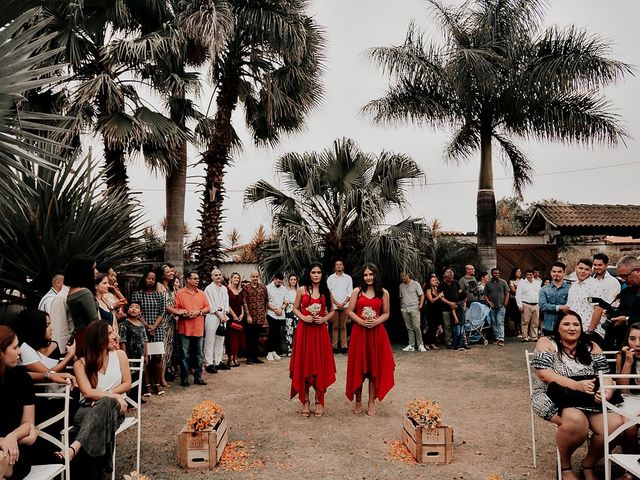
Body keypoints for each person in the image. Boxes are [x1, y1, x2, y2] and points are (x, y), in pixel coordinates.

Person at [530, 311, 622, 480]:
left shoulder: (592, 346)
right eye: (566, 324)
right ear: (557, 327)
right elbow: (544, 374)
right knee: (576, 422)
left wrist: (606, 391)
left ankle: (588, 465)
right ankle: (565, 467)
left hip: (588, 398)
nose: (572, 328)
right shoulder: (546, 342)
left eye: (576, 324)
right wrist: (576, 385)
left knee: (615, 425)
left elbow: (605, 374)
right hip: (553, 396)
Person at [65, 321, 132, 479]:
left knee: (106, 405)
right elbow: (87, 393)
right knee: (105, 407)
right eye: (109, 333)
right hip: (87, 409)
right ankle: (105, 469)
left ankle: (74, 448)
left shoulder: (120, 355)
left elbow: (127, 384)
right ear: (98, 338)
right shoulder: (80, 363)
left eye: (113, 332)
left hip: (115, 409)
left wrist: (105, 396)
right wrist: (114, 396)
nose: (115, 336)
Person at [345, 263, 395, 416]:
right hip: (359, 333)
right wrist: (360, 321)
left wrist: (376, 321)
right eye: (365, 275)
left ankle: (371, 402)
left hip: (377, 333)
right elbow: (349, 311)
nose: (368, 278)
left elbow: (386, 313)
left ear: (376, 275)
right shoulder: (357, 292)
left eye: (371, 274)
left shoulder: (384, 293)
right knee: (359, 367)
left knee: (374, 368)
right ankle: (358, 401)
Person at [290, 262, 336, 418]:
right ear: (309, 274)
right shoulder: (302, 290)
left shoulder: (325, 291)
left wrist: (323, 319)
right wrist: (304, 317)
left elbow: (332, 311)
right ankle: (306, 401)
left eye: (319, 272)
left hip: (320, 333)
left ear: (322, 274)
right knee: (304, 365)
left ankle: (318, 401)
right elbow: (295, 308)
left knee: (319, 365)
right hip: (304, 332)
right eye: (313, 272)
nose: (316, 275)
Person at [0, 325, 38, 480]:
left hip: (16, 452)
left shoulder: (22, 378)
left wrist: (12, 437)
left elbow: (29, 424)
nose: (20, 351)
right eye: (15, 347)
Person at [13, 310, 76, 389]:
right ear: (35, 328)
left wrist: (70, 358)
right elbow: (49, 373)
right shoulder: (24, 348)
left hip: (57, 388)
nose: (51, 329)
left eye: (50, 324)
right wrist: (69, 356)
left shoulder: (52, 345)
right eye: (46, 326)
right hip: (45, 393)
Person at [131, 270, 166, 395]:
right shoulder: (137, 294)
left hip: (157, 329)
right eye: (148, 278)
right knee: (145, 358)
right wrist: (147, 326)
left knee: (157, 357)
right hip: (142, 328)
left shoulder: (159, 295)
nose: (151, 281)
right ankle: (147, 386)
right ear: (144, 279)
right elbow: (136, 311)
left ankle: (157, 384)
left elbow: (162, 312)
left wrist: (154, 327)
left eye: (153, 279)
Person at [173, 271, 210, 387]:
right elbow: (175, 309)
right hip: (184, 329)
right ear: (188, 280)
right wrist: (184, 313)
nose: (197, 280)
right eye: (194, 278)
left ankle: (198, 377)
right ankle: (184, 378)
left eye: (197, 278)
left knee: (198, 354)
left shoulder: (202, 293)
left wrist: (198, 312)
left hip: (198, 328)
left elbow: (208, 308)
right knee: (184, 355)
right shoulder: (179, 293)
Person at [614, 322, 640, 480]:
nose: (637, 344)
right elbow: (622, 390)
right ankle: (631, 470)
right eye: (632, 338)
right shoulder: (622, 355)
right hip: (629, 398)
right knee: (629, 426)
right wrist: (628, 362)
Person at [566, 259, 606, 348]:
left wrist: (590, 331)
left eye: (586, 269)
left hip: (590, 333)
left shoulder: (595, 286)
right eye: (581, 268)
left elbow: (598, 309)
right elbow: (570, 309)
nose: (583, 271)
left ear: (590, 271)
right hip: (574, 330)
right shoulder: (573, 286)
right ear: (576, 268)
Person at [66, 254, 99, 356]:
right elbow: (95, 322)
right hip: (89, 338)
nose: (97, 271)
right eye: (93, 268)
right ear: (84, 271)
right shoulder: (84, 293)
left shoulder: (71, 291)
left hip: (79, 335)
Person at [609, 256, 640, 350]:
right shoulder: (627, 291)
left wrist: (627, 319)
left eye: (625, 276)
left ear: (638, 271)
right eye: (620, 277)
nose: (623, 280)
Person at [118, 303, 149, 396]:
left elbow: (145, 340)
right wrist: (124, 356)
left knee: (139, 375)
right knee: (130, 375)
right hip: (129, 354)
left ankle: (137, 397)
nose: (134, 309)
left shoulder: (141, 325)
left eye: (136, 308)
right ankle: (130, 399)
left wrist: (146, 355)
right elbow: (122, 341)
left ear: (140, 311)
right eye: (131, 307)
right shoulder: (124, 324)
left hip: (140, 354)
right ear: (128, 310)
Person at [204, 268, 230, 373]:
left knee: (220, 339)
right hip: (212, 315)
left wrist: (224, 314)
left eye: (220, 275)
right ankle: (209, 363)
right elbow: (209, 304)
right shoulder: (208, 289)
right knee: (210, 340)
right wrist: (219, 314)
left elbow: (226, 302)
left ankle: (218, 361)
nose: (218, 276)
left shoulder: (224, 288)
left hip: (223, 316)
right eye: (216, 275)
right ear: (212, 277)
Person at [156, 264, 179, 384]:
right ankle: (160, 378)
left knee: (169, 349)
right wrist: (177, 312)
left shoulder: (169, 287)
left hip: (170, 321)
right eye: (168, 271)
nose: (171, 273)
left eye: (171, 271)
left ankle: (163, 375)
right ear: (162, 274)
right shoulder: (159, 286)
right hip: (162, 321)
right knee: (162, 349)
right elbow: (163, 305)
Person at [242, 271, 269, 364]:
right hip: (250, 318)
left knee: (257, 338)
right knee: (249, 338)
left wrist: (265, 316)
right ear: (250, 277)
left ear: (259, 277)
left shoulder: (263, 287)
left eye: (256, 276)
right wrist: (248, 315)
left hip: (260, 317)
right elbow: (244, 302)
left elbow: (266, 302)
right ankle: (249, 358)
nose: (255, 278)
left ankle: (255, 357)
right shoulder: (246, 288)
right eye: (253, 276)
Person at [327, 260, 353, 354]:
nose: (338, 266)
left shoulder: (348, 278)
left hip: (345, 305)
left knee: (343, 326)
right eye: (337, 264)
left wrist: (344, 302)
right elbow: (329, 292)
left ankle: (344, 346)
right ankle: (334, 346)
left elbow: (350, 292)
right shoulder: (330, 278)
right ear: (335, 267)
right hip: (334, 305)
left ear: (343, 266)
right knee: (334, 326)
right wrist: (336, 303)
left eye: (340, 264)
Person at [539, 262, 571, 337]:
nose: (556, 274)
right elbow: (543, 306)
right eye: (554, 271)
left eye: (559, 271)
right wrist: (559, 307)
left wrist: (550, 307)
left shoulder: (570, 289)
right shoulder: (544, 289)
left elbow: (570, 307)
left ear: (564, 273)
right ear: (551, 272)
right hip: (548, 326)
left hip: (565, 327)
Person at [399, 271, 425, 352]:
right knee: (409, 328)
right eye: (401, 276)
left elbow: (422, 295)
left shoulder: (415, 284)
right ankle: (411, 345)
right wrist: (401, 308)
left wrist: (421, 304)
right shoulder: (401, 286)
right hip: (404, 309)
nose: (402, 277)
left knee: (416, 327)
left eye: (403, 275)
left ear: (408, 275)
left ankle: (420, 345)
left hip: (414, 308)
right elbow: (401, 297)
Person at [439, 269, 464, 349]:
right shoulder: (441, 285)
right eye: (449, 278)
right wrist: (450, 303)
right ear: (445, 277)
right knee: (448, 325)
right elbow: (441, 298)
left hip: (456, 307)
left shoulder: (455, 283)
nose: (450, 279)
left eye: (452, 278)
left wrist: (462, 300)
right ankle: (449, 342)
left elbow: (460, 292)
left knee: (457, 324)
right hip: (446, 308)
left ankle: (457, 342)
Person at [484, 268, 510, 346]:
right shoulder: (488, 283)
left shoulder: (503, 282)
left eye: (498, 273)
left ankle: (501, 338)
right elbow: (485, 295)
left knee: (500, 322)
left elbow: (507, 293)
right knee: (493, 322)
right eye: (495, 273)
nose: (497, 275)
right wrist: (489, 302)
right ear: (492, 274)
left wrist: (505, 303)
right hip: (492, 307)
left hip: (501, 306)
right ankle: (496, 338)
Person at [265, 273, 287, 361]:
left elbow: (286, 301)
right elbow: (266, 301)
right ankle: (269, 352)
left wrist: (281, 308)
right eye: (278, 282)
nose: (279, 284)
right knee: (272, 333)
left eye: (281, 282)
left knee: (277, 334)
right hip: (271, 314)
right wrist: (274, 309)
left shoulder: (284, 289)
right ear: (274, 279)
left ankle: (274, 351)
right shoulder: (267, 288)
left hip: (281, 314)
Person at [515, 269, 541, 341]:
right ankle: (525, 336)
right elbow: (518, 295)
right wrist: (519, 305)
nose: (529, 276)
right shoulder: (522, 283)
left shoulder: (537, 283)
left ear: (533, 275)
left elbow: (540, 294)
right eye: (527, 275)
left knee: (535, 322)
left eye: (530, 275)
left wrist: (540, 304)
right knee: (525, 321)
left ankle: (534, 336)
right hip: (526, 304)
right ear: (526, 275)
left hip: (536, 304)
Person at [226, 272, 246, 367]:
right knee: (231, 338)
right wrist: (233, 315)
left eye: (238, 278)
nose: (237, 279)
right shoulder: (227, 290)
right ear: (231, 279)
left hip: (239, 317)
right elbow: (226, 304)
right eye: (235, 277)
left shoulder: (240, 290)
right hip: (231, 317)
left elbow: (242, 303)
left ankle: (235, 357)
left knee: (238, 338)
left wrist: (242, 313)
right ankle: (230, 358)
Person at [423, 274, 444, 349]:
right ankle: (427, 343)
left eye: (435, 280)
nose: (435, 281)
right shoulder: (428, 289)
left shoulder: (436, 289)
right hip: (430, 310)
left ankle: (433, 342)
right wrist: (439, 296)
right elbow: (431, 300)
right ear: (429, 282)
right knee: (430, 327)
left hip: (437, 310)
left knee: (435, 327)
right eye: (433, 280)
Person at [283, 274, 299, 356]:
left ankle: (297, 350)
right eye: (291, 279)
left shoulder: (299, 290)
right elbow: (285, 302)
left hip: (297, 312)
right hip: (289, 311)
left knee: (297, 331)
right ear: (289, 281)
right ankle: (290, 350)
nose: (293, 281)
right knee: (289, 330)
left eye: (294, 279)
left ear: (296, 281)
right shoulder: (286, 290)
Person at [508, 267, 523, 338]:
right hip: (514, 300)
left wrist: (518, 289)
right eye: (518, 271)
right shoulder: (512, 281)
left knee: (522, 316)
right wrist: (520, 290)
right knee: (516, 316)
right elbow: (513, 291)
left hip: (522, 300)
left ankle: (523, 331)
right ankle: (518, 331)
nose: (519, 273)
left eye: (520, 271)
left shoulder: (523, 280)